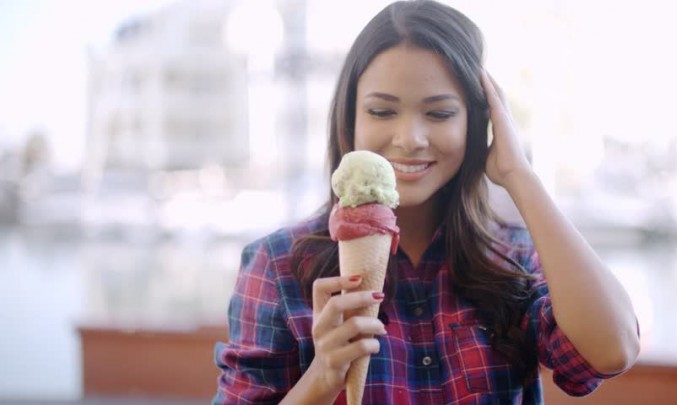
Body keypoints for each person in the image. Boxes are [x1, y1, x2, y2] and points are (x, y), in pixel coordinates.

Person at [213, 1, 640, 403]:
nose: (410, 139)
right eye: (382, 112)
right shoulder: (278, 266)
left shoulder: (513, 258)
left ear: (478, 124)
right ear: (350, 120)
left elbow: (613, 350)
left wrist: (520, 176)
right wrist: (322, 377)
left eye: (439, 114)